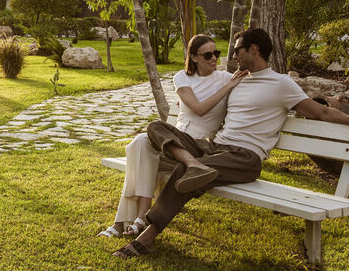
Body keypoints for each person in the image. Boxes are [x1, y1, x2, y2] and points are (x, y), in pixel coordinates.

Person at [114, 27, 349, 259]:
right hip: (215, 147)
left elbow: (319, 111)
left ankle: (148, 236)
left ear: (254, 50)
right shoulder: (239, 80)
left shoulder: (281, 83)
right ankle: (193, 163)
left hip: (245, 157)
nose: (232, 55)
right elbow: (203, 100)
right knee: (155, 127)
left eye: (237, 50)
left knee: (188, 173)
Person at [99, 34, 245, 238]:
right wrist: (227, 88)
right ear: (193, 57)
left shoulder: (225, 79)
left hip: (198, 149)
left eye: (216, 53)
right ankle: (139, 216)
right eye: (208, 55)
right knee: (139, 144)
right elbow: (198, 108)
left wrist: (229, 85)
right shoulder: (182, 77)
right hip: (172, 142)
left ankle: (127, 221)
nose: (214, 58)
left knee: (139, 152)